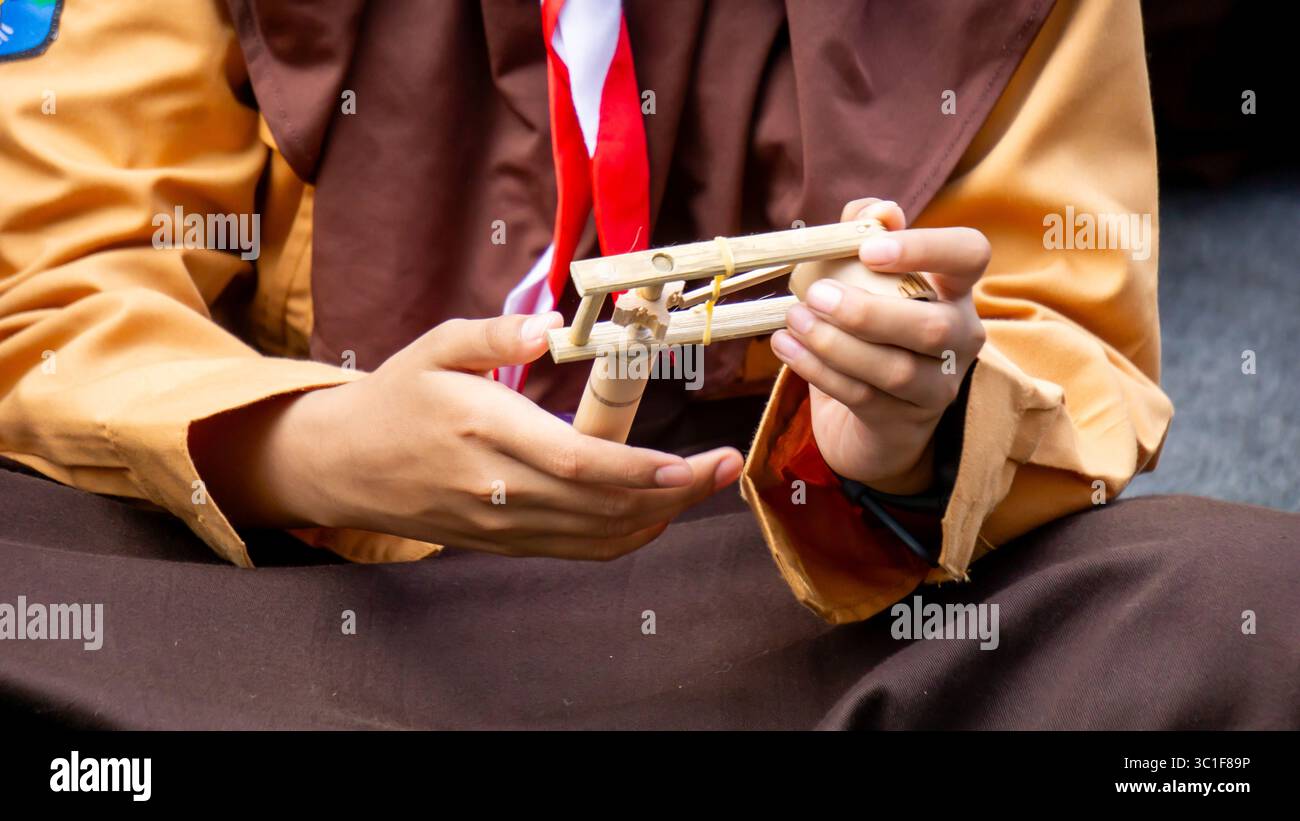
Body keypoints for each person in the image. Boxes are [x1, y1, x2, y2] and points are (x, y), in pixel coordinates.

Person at [0, 0, 1293, 729]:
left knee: (1230, 608)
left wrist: (906, 436)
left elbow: (1061, 343)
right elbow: (55, 275)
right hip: (275, 601)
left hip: (753, 606)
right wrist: (305, 443)